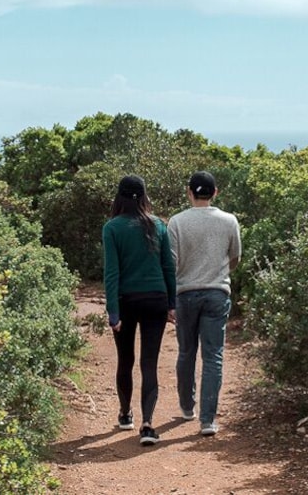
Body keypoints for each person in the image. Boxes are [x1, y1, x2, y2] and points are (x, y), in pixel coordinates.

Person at [102, 174, 176, 446]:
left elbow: (112, 273)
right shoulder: (158, 225)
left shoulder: (112, 228)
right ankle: (147, 425)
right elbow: (168, 267)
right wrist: (172, 305)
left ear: (119, 196)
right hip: (156, 299)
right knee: (149, 363)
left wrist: (113, 312)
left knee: (126, 360)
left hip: (126, 301)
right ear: (144, 196)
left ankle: (125, 415)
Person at [167, 171, 241, 436]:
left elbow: (171, 263)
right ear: (215, 192)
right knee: (213, 356)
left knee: (186, 351)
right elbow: (235, 258)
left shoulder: (176, 222)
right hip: (216, 293)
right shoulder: (229, 221)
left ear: (189, 192)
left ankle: (187, 407)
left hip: (185, 293)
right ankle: (208, 421)